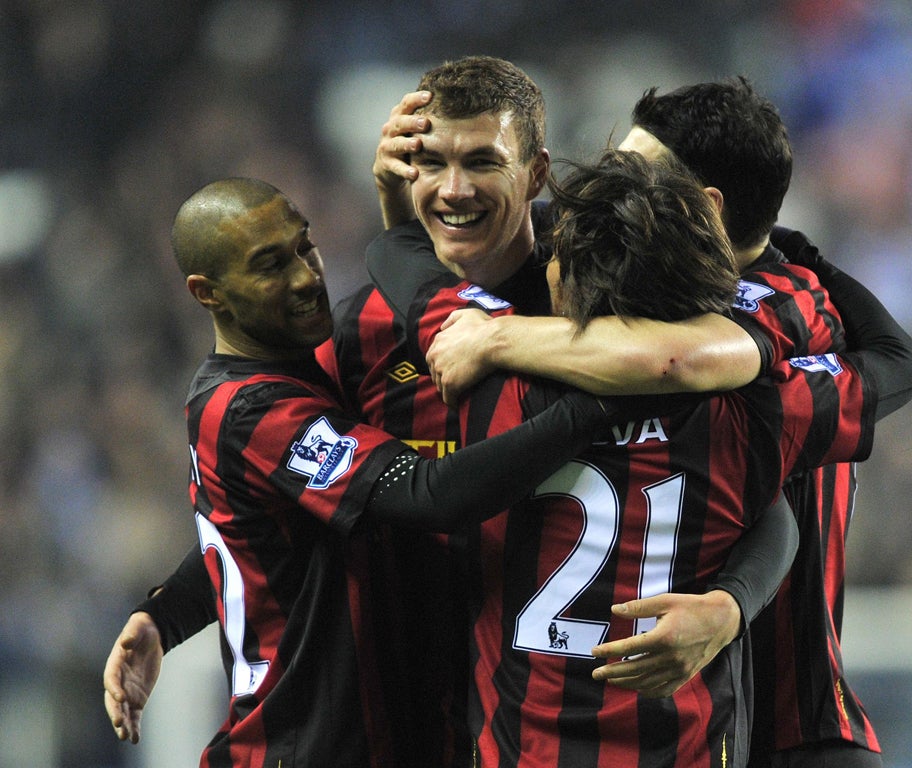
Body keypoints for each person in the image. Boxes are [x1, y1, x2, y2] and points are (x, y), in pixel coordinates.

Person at [364, 147, 912, 766]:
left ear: (570, 280)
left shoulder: (495, 384)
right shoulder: (758, 411)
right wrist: (793, 253)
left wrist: (405, 193)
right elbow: (894, 362)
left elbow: (397, 254)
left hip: (522, 750)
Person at [123, 175, 643, 767]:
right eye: (270, 265)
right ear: (207, 292)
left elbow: (255, 539)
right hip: (313, 749)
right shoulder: (249, 408)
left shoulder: (314, 374)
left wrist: (163, 614)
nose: (306, 276)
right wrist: (600, 404)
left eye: (303, 246)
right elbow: (429, 495)